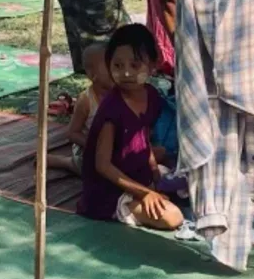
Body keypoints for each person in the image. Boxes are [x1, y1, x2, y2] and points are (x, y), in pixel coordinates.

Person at [77, 24, 181, 230]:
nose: (126, 73)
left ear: (153, 65)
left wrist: (154, 172)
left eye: (135, 65)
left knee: (186, 184)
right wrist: (145, 193)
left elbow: (144, 136)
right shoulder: (112, 108)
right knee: (173, 217)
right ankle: (124, 210)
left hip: (138, 174)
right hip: (110, 191)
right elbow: (102, 165)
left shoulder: (151, 96)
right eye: (117, 66)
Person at [62, 43, 114, 174]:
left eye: (117, 65)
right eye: (110, 66)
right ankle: (68, 163)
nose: (116, 70)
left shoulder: (122, 93)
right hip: (89, 149)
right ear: (93, 75)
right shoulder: (86, 100)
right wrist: (94, 145)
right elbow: (72, 133)